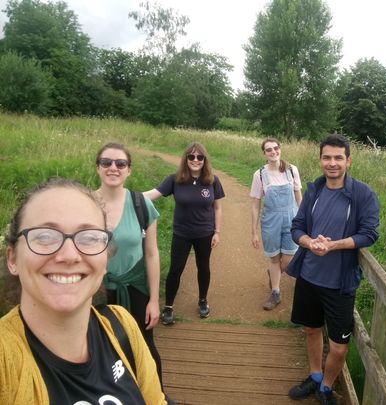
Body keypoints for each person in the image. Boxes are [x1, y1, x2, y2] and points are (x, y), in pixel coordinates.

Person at [1, 178, 166, 404]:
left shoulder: (122, 326)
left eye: (89, 238)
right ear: (12, 259)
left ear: (106, 258)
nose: (69, 256)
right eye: (45, 236)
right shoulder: (5, 360)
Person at [286, 134, 380, 405]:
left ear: (348, 161)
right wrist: (309, 242)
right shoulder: (314, 190)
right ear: (320, 160)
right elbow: (297, 227)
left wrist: (334, 245)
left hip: (339, 283)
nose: (332, 163)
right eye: (327, 157)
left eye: (338, 157)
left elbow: (370, 234)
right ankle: (315, 378)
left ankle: (327, 388)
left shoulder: (362, 194)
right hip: (308, 276)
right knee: (312, 330)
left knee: (339, 347)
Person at [94, 143, 164, 384]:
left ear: (128, 170)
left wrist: (154, 300)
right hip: (96, 291)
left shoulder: (141, 205)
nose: (113, 167)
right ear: (98, 168)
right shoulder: (84, 205)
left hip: (135, 288)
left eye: (120, 163)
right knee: (99, 349)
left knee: (145, 346)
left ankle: (157, 396)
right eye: (106, 162)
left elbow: (152, 254)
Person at [145, 142, 224, 323]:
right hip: (181, 233)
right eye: (191, 157)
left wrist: (217, 232)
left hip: (205, 233)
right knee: (176, 269)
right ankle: (169, 306)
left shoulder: (213, 180)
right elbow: (152, 194)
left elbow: (218, 208)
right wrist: (126, 196)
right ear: (186, 159)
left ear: (204, 160)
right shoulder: (175, 179)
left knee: (203, 267)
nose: (195, 160)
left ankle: (203, 301)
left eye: (199, 157)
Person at [250, 138, 302, 310]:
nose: (273, 152)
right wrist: (254, 232)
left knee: (288, 260)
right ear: (264, 154)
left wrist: (304, 220)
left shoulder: (292, 170)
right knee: (274, 258)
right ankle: (276, 292)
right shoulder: (259, 175)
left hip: (291, 220)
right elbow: (255, 204)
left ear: (280, 149)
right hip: (270, 222)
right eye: (269, 150)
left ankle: (274, 275)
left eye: (276, 148)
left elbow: (298, 197)